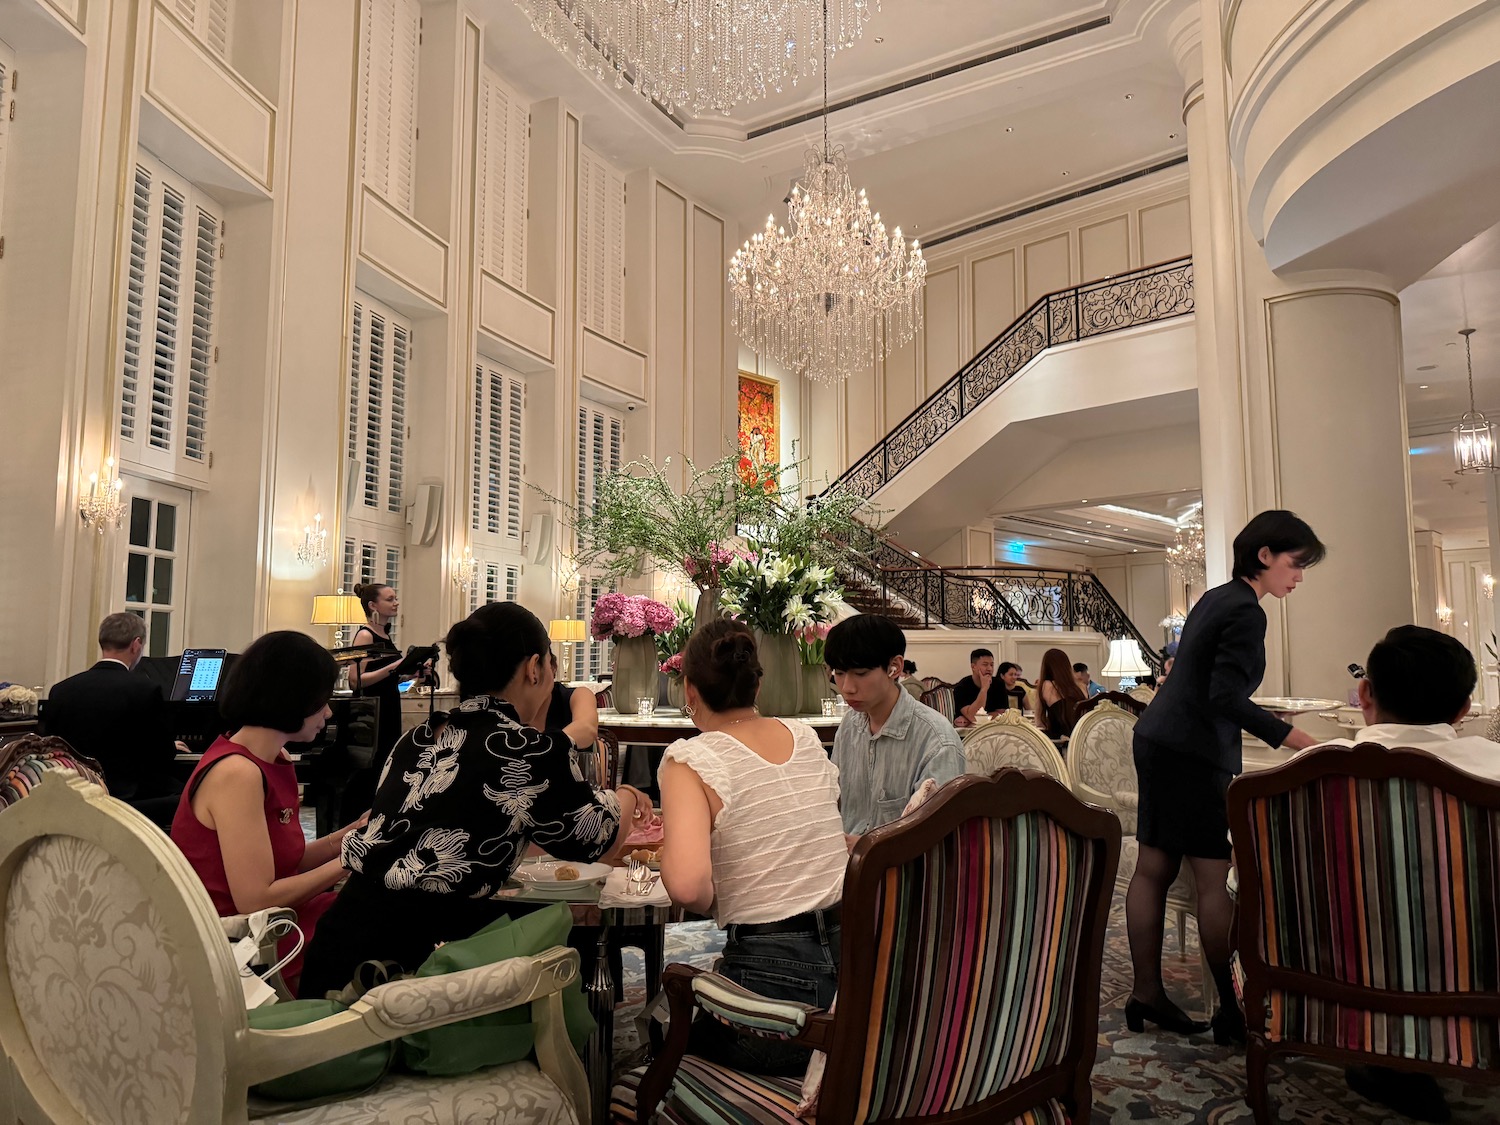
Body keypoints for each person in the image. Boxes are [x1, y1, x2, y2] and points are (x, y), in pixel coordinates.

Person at [298, 601, 652, 999]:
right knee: (556, 945)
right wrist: (626, 795)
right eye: (551, 666)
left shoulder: (415, 739)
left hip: (335, 953)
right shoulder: (523, 749)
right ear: (534, 668)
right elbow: (596, 840)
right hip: (403, 982)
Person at [1125, 510, 1323, 1045]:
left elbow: (1206, 685)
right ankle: (1233, 1010)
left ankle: (1145, 993)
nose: (1299, 576)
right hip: (1191, 752)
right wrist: (1297, 739)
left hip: (1158, 737)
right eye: (1295, 564)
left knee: (1153, 867)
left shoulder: (1218, 596)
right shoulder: (1247, 612)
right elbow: (1224, 698)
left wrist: (1264, 721)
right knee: (1214, 877)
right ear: (1265, 556)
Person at [1296, 624, 1496, 1122]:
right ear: (1464, 707)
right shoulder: (1492, 772)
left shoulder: (1300, 778)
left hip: (1335, 971)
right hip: (1481, 976)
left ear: (1365, 693)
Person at [658, 619, 847, 1075]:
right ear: (757, 682)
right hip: (855, 975)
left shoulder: (691, 758)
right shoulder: (805, 736)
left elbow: (687, 888)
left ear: (689, 690)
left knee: (662, 1034)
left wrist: (721, 894)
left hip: (776, 999)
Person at [170, 631, 364, 992]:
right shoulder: (238, 773)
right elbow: (256, 900)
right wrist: (353, 858)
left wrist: (353, 832)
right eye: (322, 699)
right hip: (247, 945)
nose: (328, 710)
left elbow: (285, 860)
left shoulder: (271, 757)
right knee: (384, 918)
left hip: (274, 924)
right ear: (292, 698)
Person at [826, 615, 965, 835]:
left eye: (860, 674)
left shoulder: (936, 740)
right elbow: (835, 804)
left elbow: (937, 837)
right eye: (839, 674)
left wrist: (864, 848)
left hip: (902, 866)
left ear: (895, 667)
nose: (847, 687)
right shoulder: (850, 726)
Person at [42, 612, 183, 828]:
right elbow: (161, 755)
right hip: (127, 796)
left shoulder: (61, 690)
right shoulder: (145, 689)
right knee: (188, 794)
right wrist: (171, 746)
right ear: (136, 645)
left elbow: (51, 748)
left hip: (75, 792)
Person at [343, 583, 426, 818]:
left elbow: (389, 679)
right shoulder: (365, 634)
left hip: (388, 707)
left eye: (395, 598)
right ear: (373, 605)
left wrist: (413, 673)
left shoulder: (385, 635)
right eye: (390, 599)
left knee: (383, 767)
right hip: (370, 714)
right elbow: (354, 680)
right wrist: (394, 667)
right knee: (368, 772)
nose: (396, 603)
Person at [1036, 647, 1086, 742]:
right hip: (1081, 739)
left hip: (1061, 741)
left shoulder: (1047, 685)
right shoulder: (1080, 686)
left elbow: (1039, 722)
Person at [952, 648, 995, 727]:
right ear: (973, 667)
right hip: (968, 735)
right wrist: (984, 689)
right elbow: (974, 717)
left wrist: (970, 718)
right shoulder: (962, 687)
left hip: (994, 730)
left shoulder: (999, 683)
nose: (990, 669)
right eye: (985, 665)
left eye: (992, 665)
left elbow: (1002, 715)